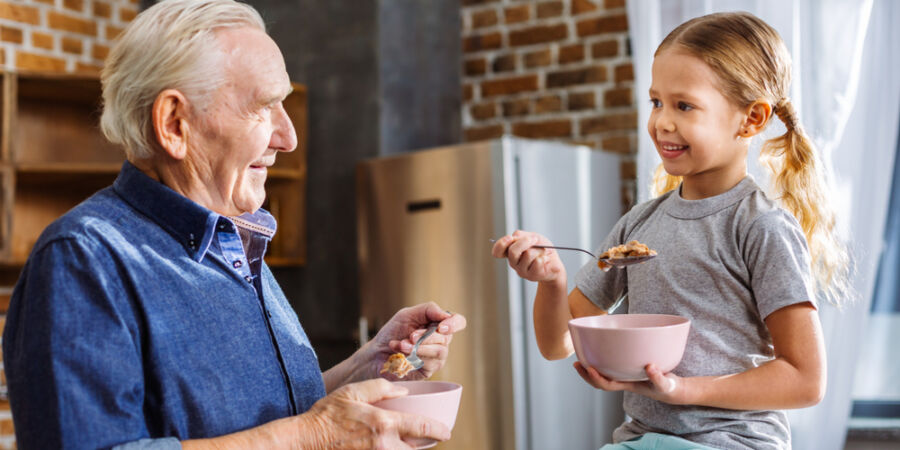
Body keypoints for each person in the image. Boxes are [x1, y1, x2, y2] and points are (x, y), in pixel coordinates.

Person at [2, 0, 466, 449]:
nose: (289, 137)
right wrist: (313, 438)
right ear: (175, 124)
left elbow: (253, 418)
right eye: (264, 107)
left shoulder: (236, 242)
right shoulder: (81, 261)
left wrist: (366, 368)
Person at [492, 11, 850, 450]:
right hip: (642, 439)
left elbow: (805, 380)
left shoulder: (761, 226)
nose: (661, 121)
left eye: (684, 105)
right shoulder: (639, 224)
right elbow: (559, 342)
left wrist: (683, 390)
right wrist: (552, 280)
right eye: (656, 102)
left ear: (751, 119)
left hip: (731, 442)